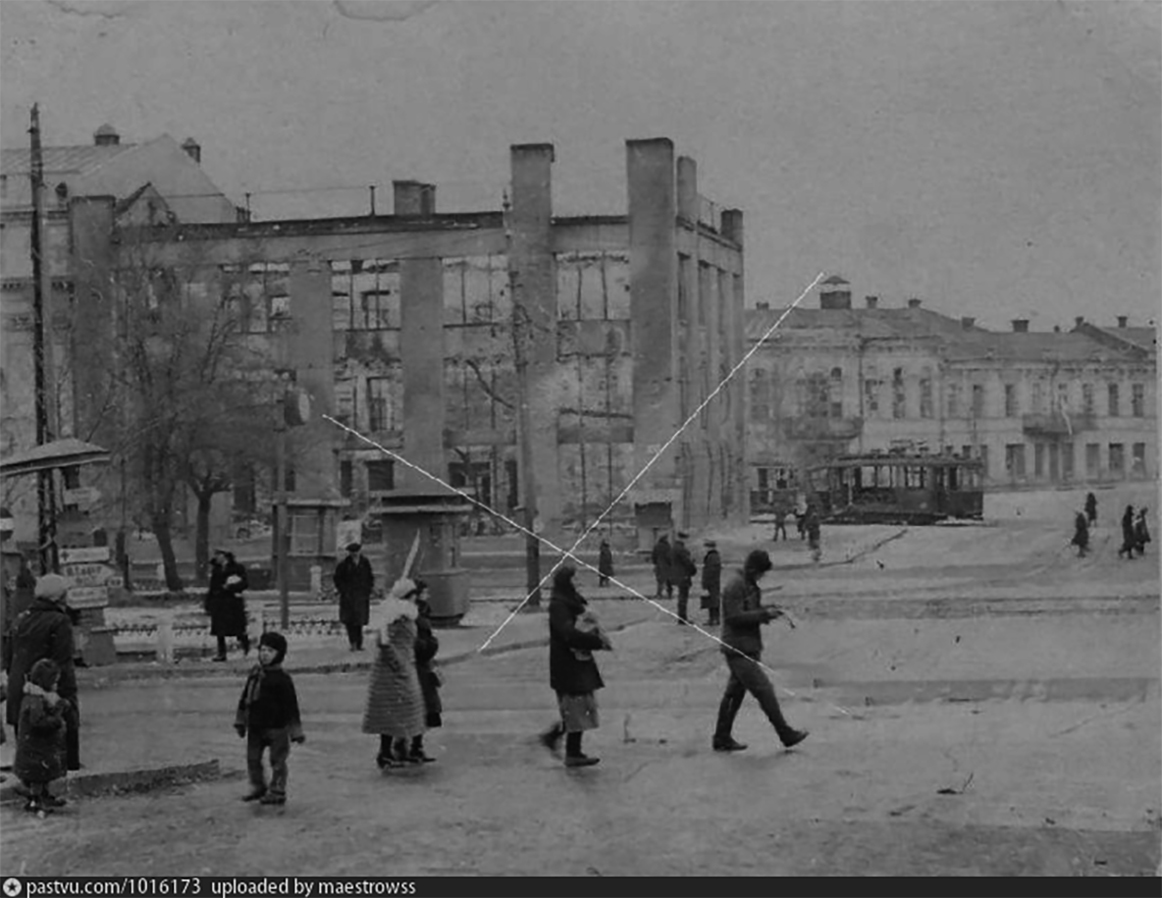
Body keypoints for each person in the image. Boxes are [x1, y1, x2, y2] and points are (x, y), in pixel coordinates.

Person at [712, 549, 808, 753]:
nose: (761, 577)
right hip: (738, 649)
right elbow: (734, 617)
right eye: (761, 572)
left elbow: (747, 611)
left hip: (746, 647)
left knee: (733, 695)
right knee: (764, 691)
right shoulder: (735, 586)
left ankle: (721, 737)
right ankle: (785, 733)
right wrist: (763, 614)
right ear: (753, 568)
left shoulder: (747, 584)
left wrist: (768, 611)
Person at [5, 574, 80, 771]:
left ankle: (30, 782)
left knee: (28, 738)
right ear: (58, 597)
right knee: (55, 737)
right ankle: (59, 777)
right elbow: (62, 661)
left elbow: (8, 655)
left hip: (20, 686)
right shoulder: (59, 620)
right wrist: (65, 696)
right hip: (48, 685)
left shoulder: (21, 619)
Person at [538, 565, 610, 768]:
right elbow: (568, 633)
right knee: (575, 707)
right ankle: (569, 750)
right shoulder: (559, 604)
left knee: (580, 706)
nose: (580, 582)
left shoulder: (572, 600)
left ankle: (562, 742)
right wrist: (594, 642)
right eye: (576, 579)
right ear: (566, 581)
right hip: (568, 662)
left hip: (577, 661)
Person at [234, 631, 305, 806]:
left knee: (278, 761)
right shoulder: (255, 675)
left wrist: (295, 731)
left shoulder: (283, 679)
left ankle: (277, 790)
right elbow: (245, 699)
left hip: (277, 728)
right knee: (252, 759)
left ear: (279, 654)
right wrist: (241, 721)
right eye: (262, 650)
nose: (264, 654)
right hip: (256, 727)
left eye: (270, 651)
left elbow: (291, 707)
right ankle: (258, 786)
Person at [362, 578, 426, 769]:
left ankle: (398, 749)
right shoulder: (394, 616)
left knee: (404, 711)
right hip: (391, 672)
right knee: (393, 713)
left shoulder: (405, 614)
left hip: (402, 669)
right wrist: (397, 662)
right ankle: (386, 752)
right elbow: (383, 642)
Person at [14, 658, 68, 813]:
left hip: (39, 747)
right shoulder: (35, 699)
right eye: (54, 681)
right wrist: (56, 719)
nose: (56, 685)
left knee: (42, 776)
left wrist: (59, 707)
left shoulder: (42, 697)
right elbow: (38, 722)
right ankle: (35, 799)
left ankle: (42, 795)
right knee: (38, 776)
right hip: (36, 749)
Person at [410, 581, 442, 764]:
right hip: (419, 668)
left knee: (424, 709)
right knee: (421, 709)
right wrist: (432, 645)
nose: (427, 595)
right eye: (425, 592)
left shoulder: (422, 612)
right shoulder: (414, 616)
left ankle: (414, 745)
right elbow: (418, 644)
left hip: (423, 668)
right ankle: (413, 747)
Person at [206, 549, 250, 661]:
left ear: (225, 556)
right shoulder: (216, 570)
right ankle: (222, 653)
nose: (217, 558)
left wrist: (231, 587)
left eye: (219, 555)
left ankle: (246, 647)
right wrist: (208, 603)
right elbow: (212, 587)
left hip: (233, 603)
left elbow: (244, 583)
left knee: (238, 629)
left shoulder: (237, 568)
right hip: (219, 603)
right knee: (220, 631)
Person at [333, 542, 374, 651]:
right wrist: (343, 591)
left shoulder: (365, 563)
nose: (355, 554)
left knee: (359, 621)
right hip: (348, 597)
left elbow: (370, 577)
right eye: (352, 552)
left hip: (361, 596)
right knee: (350, 621)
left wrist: (368, 590)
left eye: (356, 552)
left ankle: (359, 643)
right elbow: (338, 579)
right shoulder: (344, 564)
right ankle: (353, 643)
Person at [671, 532, 697, 625]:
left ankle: (681, 617)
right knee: (683, 597)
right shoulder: (682, 550)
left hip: (678, 575)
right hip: (684, 575)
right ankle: (682, 618)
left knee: (682, 597)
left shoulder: (675, 548)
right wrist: (693, 569)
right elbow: (687, 563)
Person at [701, 540, 723, 627]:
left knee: (712, 601)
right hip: (714, 582)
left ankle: (713, 619)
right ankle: (714, 618)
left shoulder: (712, 557)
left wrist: (705, 584)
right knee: (713, 600)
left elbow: (710, 571)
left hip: (711, 582)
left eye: (706, 547)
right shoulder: (714, 556)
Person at [651, 535, 672, 599]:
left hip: (659, 565)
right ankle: (669, 593)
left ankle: (659, 593)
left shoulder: (657, 546)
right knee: (668, 580)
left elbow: (654, 556)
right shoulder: (667, 547)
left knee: (660, 580)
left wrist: (655, 563)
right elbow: (670, 556)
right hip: (667, 565)